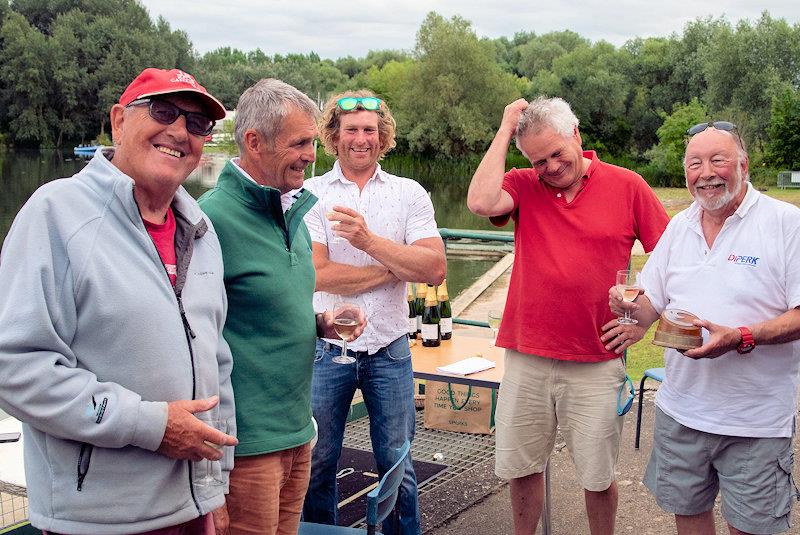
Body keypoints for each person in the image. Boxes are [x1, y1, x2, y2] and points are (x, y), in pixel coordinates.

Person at [0, 68, 238, 534]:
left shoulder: (201, 231)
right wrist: (149, 424)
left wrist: (215, 488)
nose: (179, 131)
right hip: (101, 520)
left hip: (194, 510)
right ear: (119, 121)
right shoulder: (57, 213)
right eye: (163, 111)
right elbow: (15, 365)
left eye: (196, 124)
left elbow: (218, 362)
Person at [467, 96, 669, 535]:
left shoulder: (628, 185)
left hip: (596, 358)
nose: (551, 168)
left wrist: (643, 319)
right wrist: (504, 128)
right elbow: (481, 201)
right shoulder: (522, 184)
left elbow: (673, 255)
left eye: (557, 153)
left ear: (576, 134)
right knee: (521, 468)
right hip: (527, 354)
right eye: (539, 160)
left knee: (597, 477)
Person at [602, 121, 800, 535]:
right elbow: (651, 304)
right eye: (695, 163)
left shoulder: (786, 223)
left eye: (717, 160)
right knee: (688, 518)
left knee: (753, 528)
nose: (705, 172)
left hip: (754, 421)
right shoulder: (680, 226)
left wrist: (742, 337)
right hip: (682, 411)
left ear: (743, 165)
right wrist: (628, 309)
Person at [198, 78, 365, 535]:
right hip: (247, 446)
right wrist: (209, 476)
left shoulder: (292, 212)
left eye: (312, 141)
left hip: (298, 431)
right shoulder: (211, 220)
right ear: (254, 142)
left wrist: (320, 323)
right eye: (301, 142)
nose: (312, 154)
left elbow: (256, 312)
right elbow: (192, 339)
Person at [302, 90, 446, 534]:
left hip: (390, 347)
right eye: (351, 130)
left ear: (383, 137)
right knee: (317, 461)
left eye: (369, 130)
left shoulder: (410, 193)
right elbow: (318, 274)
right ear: (334, 137)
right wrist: (395, 267)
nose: (360, 139)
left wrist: (367, 243)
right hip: (327, 348)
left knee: (398, 464)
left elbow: (435, 268)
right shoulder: (310, 193)